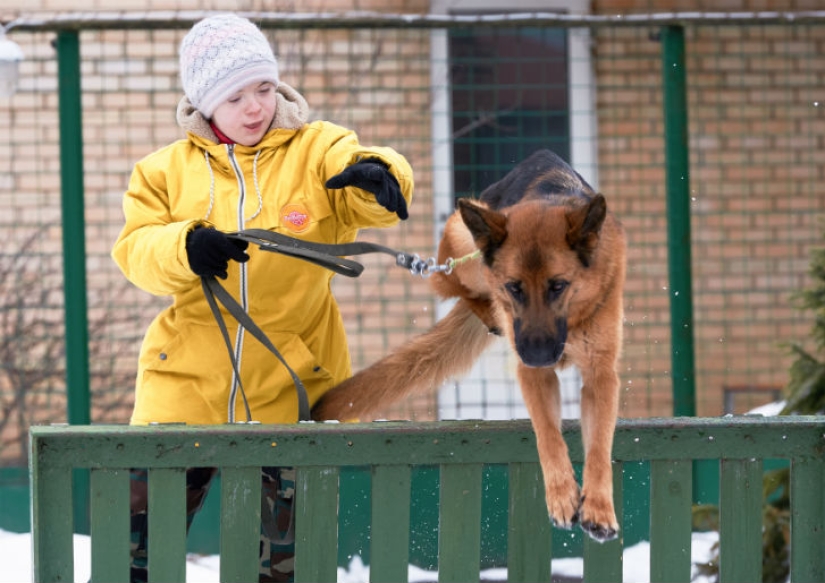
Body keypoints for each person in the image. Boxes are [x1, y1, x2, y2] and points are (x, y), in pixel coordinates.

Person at [111, 13, 414, 583]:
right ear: (204, 105)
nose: (255, 108)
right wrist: (185, 246)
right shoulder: (163, 172)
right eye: (235, 97)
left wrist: (381, 175)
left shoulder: (316, 148)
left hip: (290, 389)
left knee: (283, 571)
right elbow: (136, 251)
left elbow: (359, 176)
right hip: (182, 393)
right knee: (136, 562)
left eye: (264, 88)